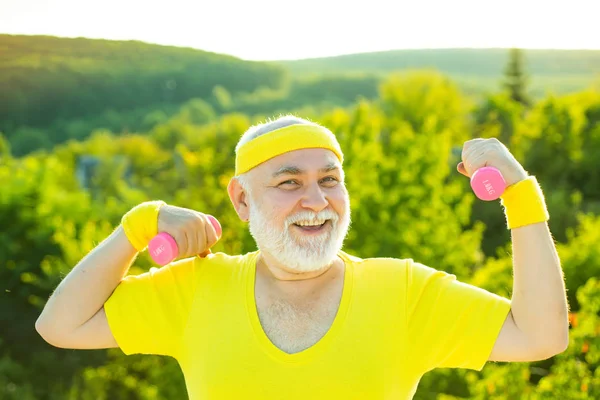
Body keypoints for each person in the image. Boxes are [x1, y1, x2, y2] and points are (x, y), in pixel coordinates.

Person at [35, 115, 569, 399]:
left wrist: (519, 193)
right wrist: (137, 226)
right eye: (289, 182)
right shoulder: (197, 288)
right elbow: (60, 325)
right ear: (242, 200)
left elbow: (541, 336)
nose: (316, 201)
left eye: (329, 180)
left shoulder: (403, 291)